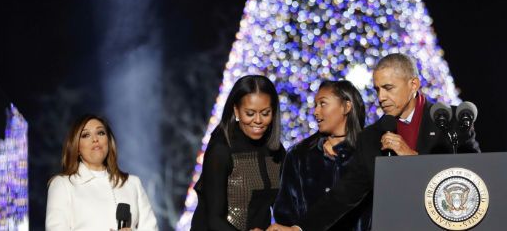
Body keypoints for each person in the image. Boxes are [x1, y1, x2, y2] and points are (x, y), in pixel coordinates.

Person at [267, 53, 480, 231]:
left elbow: (476, 176)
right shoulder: (371, 136)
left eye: (389, 88)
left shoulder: (451, 121)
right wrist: (299, 228)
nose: (381, 97)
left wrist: (414, 159)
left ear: (413, 84)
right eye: (377, 89)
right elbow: (344, 194)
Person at [273, 80, 372, 231]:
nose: (316, 112)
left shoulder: (367, 154)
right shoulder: (299, 155)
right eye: (315, 105)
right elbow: (285, 211)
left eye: (323, 104)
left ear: (346, 107)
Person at [191, 75, 286, 231]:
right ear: (236, 110)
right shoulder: (221, 148)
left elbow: (283, 205)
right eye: (250, 113)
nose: (258, 120)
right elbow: (213, 218)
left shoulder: (276, 150)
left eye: (265, 113)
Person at [45, 113, 159, 230]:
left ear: (108, 142)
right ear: (77, 147)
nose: (95, 139)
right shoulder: (63, 185)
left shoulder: (132, 183)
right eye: (85, 135)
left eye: (100, 133)